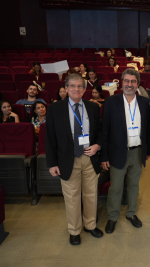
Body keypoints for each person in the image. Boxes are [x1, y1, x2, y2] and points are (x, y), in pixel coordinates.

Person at [46, 73, 103, 246]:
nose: (76, 89)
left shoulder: (93, 107)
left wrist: (98, 145)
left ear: (85, 89)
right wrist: (52, 163)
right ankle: (74, 230)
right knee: (71, 197)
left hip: (89, 158)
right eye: (72, 86)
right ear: (66, 88)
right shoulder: (55, 109)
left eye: (80, 86)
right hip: (67, 160)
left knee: (91, 195)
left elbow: (100, 132)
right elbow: (49, 138)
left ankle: (90, 225)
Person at [101, 68, 150, 233]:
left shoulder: (145, 103)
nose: (129, 85)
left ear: (137, 84)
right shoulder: (111, 102)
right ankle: (112, 217)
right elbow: (105, 130)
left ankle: (131, 214)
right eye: (127, 81)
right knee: (115, 187)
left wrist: (147, 150)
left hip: (137, 151)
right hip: (117, 152)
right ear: (121, 82)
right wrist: (104, 156)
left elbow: (148, 129)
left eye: (133, 81)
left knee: (134, 186)